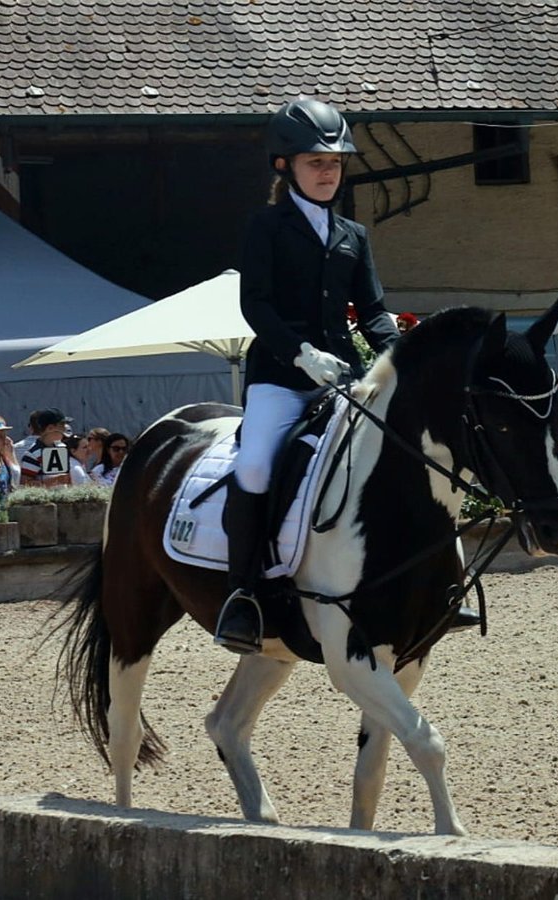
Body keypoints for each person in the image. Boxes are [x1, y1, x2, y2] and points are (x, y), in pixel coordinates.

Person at [211, 97, 404, 654]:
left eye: (336, 163)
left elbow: (372, 310)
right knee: (253, 466)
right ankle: (243, 594)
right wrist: (300, 352)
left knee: (392, 454)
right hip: (279, 376)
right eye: (316, 162)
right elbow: (257, 305)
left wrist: (398, 355)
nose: (328, 172)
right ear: (284, 166)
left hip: (343, 375)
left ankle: (409, 579)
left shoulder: (354, 234)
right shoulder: (265, 227)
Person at [19, 408, 73, 487]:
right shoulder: (33, 454)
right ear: (50, 428)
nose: (65, 429)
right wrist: (53, 481)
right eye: (61, 425)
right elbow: (25, 483)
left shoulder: (62, 449)